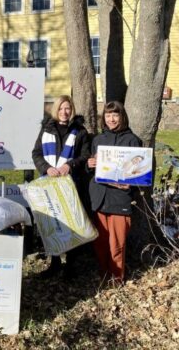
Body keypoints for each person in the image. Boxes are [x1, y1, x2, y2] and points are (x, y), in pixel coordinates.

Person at [32, 95, 91, 279]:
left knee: (72, 223)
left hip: (71, 185)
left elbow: (85, 156)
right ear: (56, 110)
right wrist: (46, 168)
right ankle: (55, 263)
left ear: (72, 109)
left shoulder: (80, 131)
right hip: (50, 186)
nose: (64, 112)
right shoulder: (46, 129)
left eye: (68, 108)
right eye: (61, 109)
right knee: (53, 223)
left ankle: (70, 265)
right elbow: (36, 153)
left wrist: (70, 165)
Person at [87, 101, 142, 284]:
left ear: (122, 116)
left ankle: (117, 279)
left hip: (120, 199)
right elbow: (92, 170)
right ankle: (104, 276)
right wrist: (90, 165)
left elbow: (140, 172)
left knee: (116, 244)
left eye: (115, 115)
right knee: (100, 243)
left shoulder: (132, 140)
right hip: (100, 197)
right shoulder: (98, 140)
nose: (111, 119)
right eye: (108, 115)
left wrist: (131, 186)